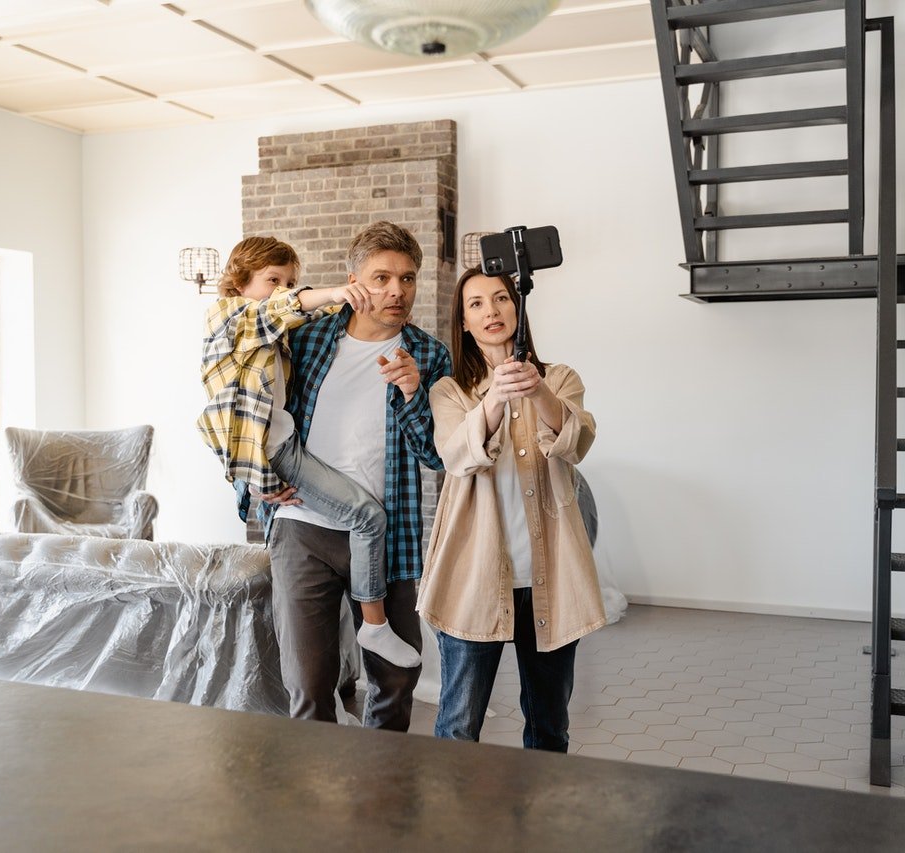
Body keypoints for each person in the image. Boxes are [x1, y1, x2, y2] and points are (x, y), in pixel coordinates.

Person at [256, 221, 452, 728]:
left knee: (395, 679)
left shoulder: (428, 355)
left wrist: (412, 395)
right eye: (382, 277)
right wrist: (250, 486)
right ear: (353, 280)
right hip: (304, 531)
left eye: (408, 278)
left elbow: (437, 455)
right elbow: (251, 414)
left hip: (390, 537)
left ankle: (380, 794)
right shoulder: (307, 338)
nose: (397, 291)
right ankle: (317, 801)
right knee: (309, 684)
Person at [197, 235, 420, 669]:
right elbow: (276, 311)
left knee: (369, 517)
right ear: (239, 284)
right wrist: (256, 482)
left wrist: (368, 301)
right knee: (369, 516)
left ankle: (366, 639)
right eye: (272, 280)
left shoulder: (280, 338)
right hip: (280, 455)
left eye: (291, 281)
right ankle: (374, 627)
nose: (283, 289)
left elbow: (318, 318)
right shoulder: (228, 317)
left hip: (286, 446)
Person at [418, 267, 604, 752]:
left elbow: (577, 441)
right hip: (473, 576)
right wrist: (496, 397)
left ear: (517, 309)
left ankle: (537, 823)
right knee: (458, 726)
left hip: (551, 577)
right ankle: (452, 825)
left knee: (548, 728)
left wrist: (535, 388)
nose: (491, 311)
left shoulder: (560, 377)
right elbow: (456, 455)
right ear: (463, 322)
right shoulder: (449, 391)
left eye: (500, 299)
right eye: (476, 304)